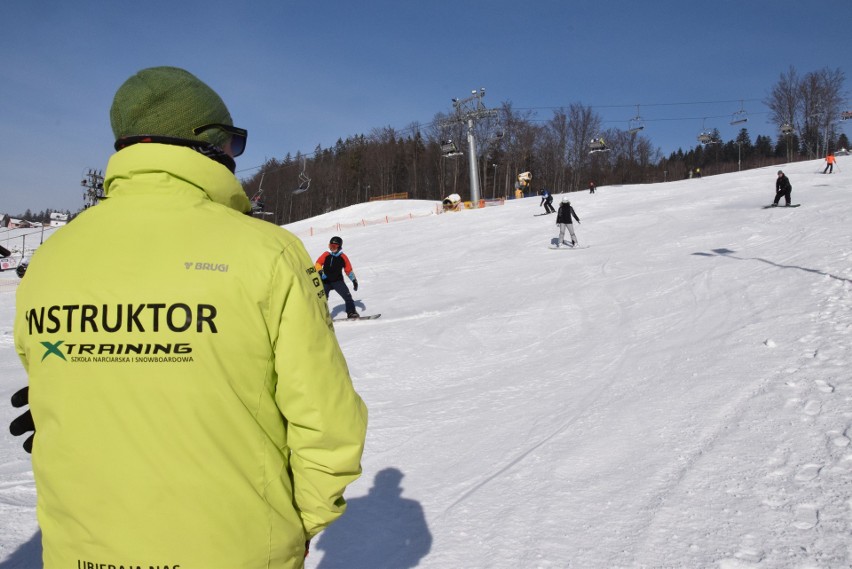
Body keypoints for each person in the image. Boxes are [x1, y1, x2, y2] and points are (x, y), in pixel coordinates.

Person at [11, 66, 367, 569]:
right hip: (233, 550)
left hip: (79, 550)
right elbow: (327, 423)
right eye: (234, 144)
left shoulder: (52, 257)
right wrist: (298, 522)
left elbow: (49, 388)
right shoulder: (268, 253)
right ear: (210, 144)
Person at [316, 235, 360, 318]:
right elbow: (318, 263)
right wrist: (321, 272)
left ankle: (351, 312)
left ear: (339, 247)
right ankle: (322, 316)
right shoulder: (326, 254)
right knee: (322, 299)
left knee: (347, 297)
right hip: (325, 281)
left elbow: (348, 270)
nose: (332, 248)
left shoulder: (343, 257)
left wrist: (354, 280)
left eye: (334, 246)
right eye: (330, 246)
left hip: (338, 281)